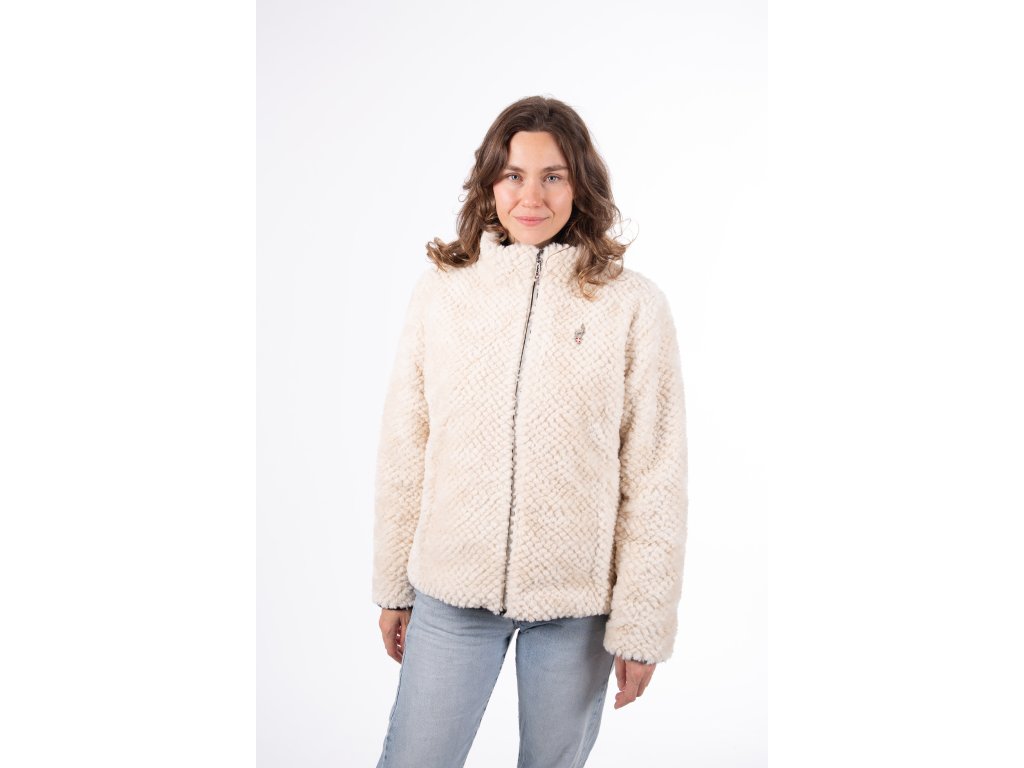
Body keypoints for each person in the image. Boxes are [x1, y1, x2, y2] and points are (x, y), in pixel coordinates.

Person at [371, 95, 688, 768]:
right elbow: (406, 443)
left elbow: (655, 474)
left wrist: (642, 623)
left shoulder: (632, 306)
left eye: (553, 176)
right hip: (451, 591)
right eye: (514, 174)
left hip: (576, 605)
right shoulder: (443, 291)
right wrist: (394, 584)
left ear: (581, 184)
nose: (531, 196)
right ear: (491, 182)